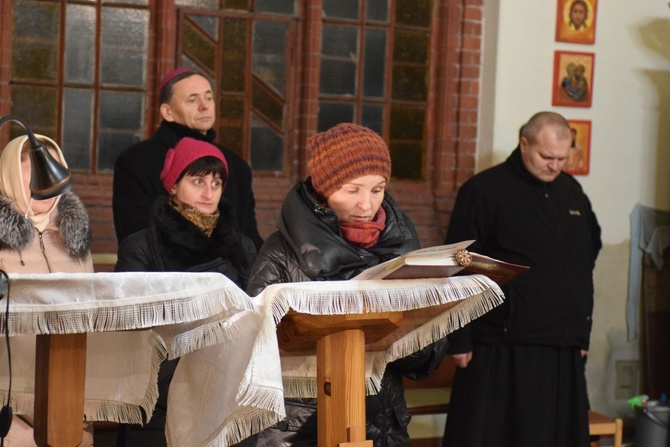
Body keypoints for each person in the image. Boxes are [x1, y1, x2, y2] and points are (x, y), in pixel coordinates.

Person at [239, 123, 448, 447]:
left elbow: (428, 353)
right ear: (323, 188)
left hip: (382, 426)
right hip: (299, 428)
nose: (367, 205)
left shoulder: (400, 242)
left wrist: (415, 332)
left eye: (377, 189)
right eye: (353, 190)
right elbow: (251, 346)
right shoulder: (281, 251)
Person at [442, 111, 602, 447]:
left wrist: (581, 332)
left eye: (562, 157)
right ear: (524, 143)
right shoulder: (484, 190)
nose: (554, 166)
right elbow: (457, 264)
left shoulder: (572, 193)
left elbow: (586, 257)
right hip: (501, 345)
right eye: (546, 156)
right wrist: (460, 339)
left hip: (562, 344)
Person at [114, 136, 257, 446]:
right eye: (197, 181)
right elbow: (128, 325)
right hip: (158, 396)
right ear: (173, 186)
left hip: (228, 390)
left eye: (216, 184)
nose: (209, 193)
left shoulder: (241, 247)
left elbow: (256, 316)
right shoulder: (140, 246)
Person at [0, 135, 93, 445]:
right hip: (9, 398)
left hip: (70, 391)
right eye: (34, 173)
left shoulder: (73, 235)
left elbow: (91, 313)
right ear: (12, 175)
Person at [113, 67, 263, 249]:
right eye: (192, 100)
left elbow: (250, 240)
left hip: (231, 277)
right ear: (168, 112)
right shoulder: (136, 161)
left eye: (208, 98)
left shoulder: (237, 166)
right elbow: (136, 239)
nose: (204, 106)